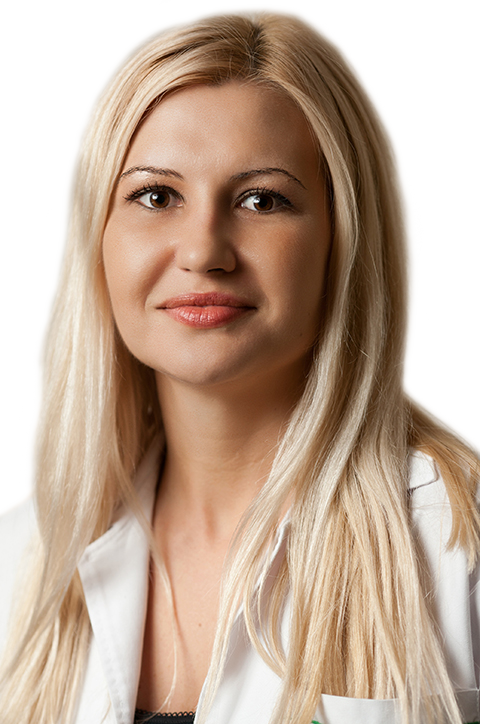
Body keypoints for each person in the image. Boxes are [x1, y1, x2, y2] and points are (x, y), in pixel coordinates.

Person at [0, 5, 479, 724]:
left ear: (345, 238)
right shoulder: (18, 563)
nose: (203, 251)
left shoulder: (458, 543)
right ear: (96, 235)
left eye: (262, 199)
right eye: (156, 195)